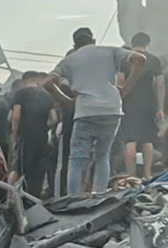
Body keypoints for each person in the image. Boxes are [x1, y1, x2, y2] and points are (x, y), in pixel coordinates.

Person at [44, 27, 146, 196]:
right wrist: (126, 87)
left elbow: (48, 82)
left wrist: (67, 101)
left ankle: (74, 198)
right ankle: (99, 195)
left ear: (75, 45)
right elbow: (139, 59)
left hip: (85, 112)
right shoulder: (110, 50)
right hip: (111, 110)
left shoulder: (69, 60)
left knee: (77, 159)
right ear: (93, 40)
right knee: (103, 155)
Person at [119, 32, 164, 179]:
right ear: (148, 44)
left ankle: (130, 174)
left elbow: (120, 82)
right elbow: (159, 84)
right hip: (148, 104)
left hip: (128, 105)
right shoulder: (154, 60)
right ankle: (147, 173)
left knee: (129, 140)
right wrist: (160, 108)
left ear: (132, 43)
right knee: (148, 140)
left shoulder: (125, 59)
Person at [12, 71, 57, 198]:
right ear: (37, 79)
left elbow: (16, 116)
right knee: (39, 170)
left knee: (22, 169)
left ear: (23, 81)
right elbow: (54, 119)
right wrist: (43, 127)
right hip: (42, 137)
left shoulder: (21, 93)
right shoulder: (47, 95)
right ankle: (35, 197)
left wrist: (15, 135)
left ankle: (22, 198)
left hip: (26, 137)